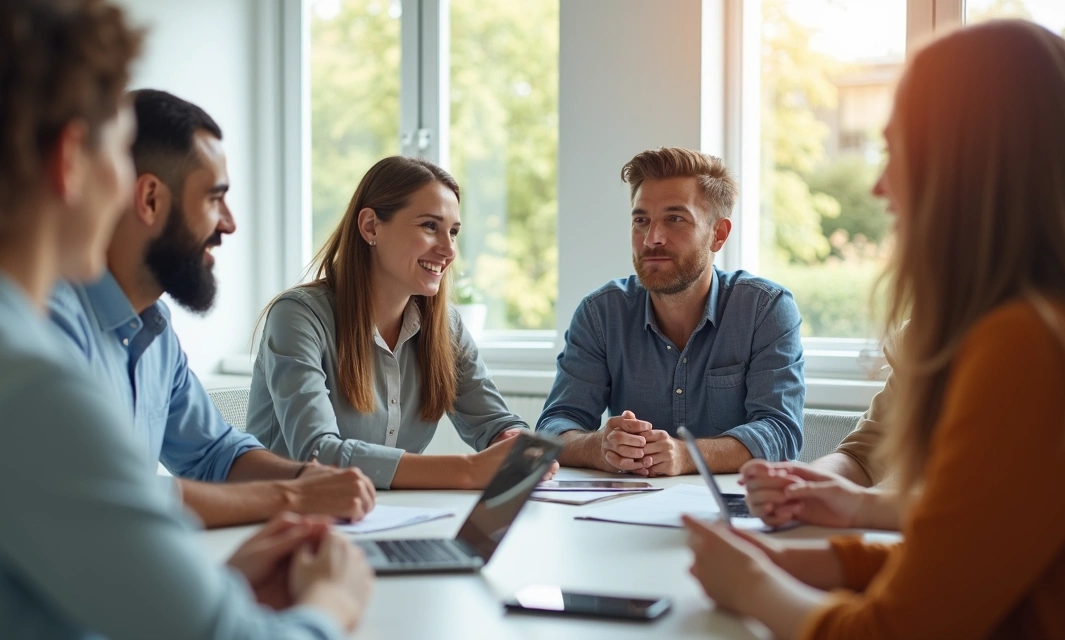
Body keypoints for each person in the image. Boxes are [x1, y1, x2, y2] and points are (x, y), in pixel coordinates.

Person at [0, 1, 372, 637]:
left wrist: (216, 589)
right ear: (69, 160)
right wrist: (334, 599)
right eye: (119, 150)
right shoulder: (26, 390)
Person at [684, 20, 1065, 639]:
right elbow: (962, 558)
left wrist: (748, 583)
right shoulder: (1058, 325)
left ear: (966, 164)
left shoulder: (1029, 346)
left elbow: (895, 631)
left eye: (898, 150)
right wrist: (796, 559)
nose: (880, 186)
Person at [49, 88, 375, 528]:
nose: (230, 223)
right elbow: (104, 491)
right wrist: (293, 495)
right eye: (213, 198)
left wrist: (310, 479)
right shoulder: (52, 324)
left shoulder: (155, 331)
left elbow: (215, 454)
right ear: (150, 200)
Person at [248, 155, 557, 489]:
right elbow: (318, 454)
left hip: (387, 511)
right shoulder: (297, 316)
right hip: (282, 511)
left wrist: (512, 441)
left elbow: (494, 422)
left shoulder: (445, 326)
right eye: (430, 226)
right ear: (370, 226)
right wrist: (468, 470)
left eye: (453, 232)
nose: (448, 250)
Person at [536, 148, 804, 475]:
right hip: (629, 502)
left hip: (730, 503)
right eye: (641, 221)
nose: (652, 239)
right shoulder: (601, 313)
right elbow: (554, 426)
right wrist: (599, 446)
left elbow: (780, 432)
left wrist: (686, 455)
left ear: (718, 234)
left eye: (675, 219)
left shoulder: (765, 309)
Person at [740, 341, 900, 529]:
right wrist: (801, 485)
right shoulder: (916, 343)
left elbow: (933, 511)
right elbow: (861, 456)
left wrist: (863, 506)